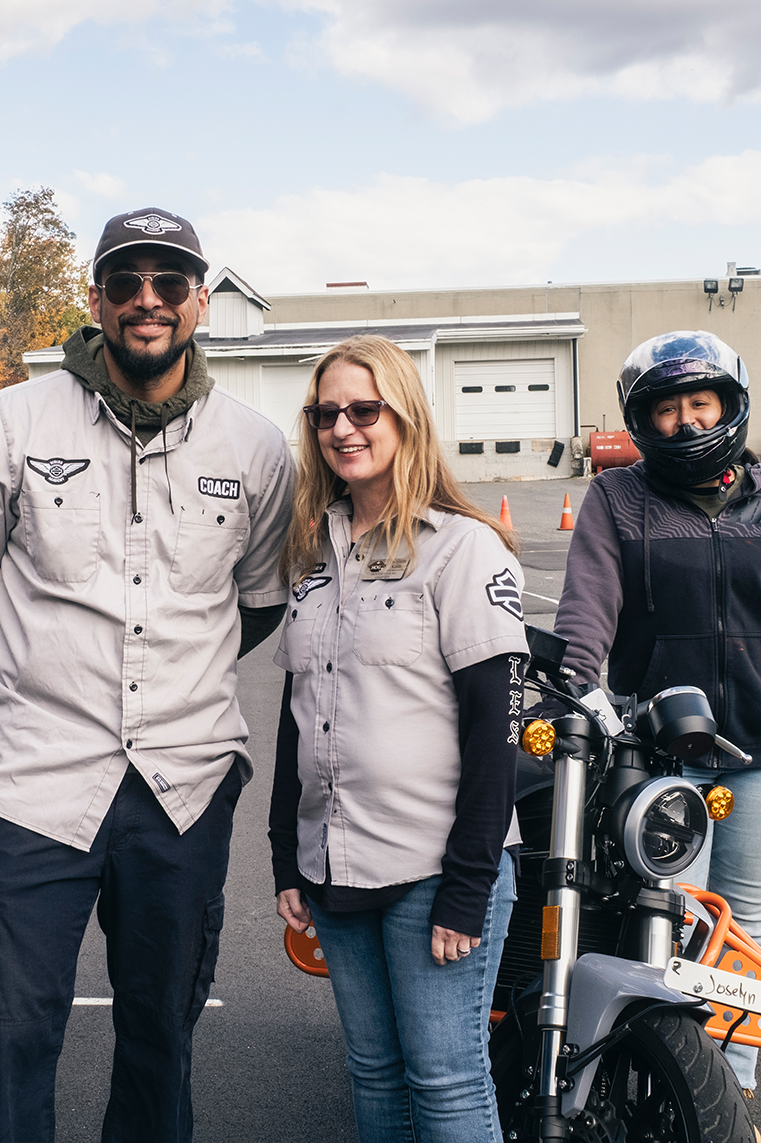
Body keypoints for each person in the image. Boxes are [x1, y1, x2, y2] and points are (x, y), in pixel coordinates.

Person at [0, 207, 295, 1142]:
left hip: (183, 783)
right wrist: (39, 659)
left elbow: (256, 603)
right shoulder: (8, 423)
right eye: (125, 281)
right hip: (36, 780)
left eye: (169, 282)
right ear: (95, 298)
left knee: (160, 1040)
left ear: (200, 301)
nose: (146, 300)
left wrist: (178, 670)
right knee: (8, 1036)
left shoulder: (254, 449)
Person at [553, 330, 761, 1100]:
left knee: (745, 930)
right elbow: (586, 610)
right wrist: (576, 685)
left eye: (701, 402)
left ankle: (731, 1090)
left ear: (729, 404)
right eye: (666, 409)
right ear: (642, 420)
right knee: (670, 922)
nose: (686, 421)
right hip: (660, 756)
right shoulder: (616, 499)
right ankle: (664, 1082)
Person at [268, 334, 527, 1143]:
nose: (342, 427)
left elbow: (497, 731)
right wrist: (287, 854)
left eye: (363, 409)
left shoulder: (462, 546)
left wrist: (466, 886)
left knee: (447, 1084)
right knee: (374, 1078)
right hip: (337, 867)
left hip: (432, 869)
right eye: (325, 414)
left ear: (405, 416)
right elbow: (297, 709)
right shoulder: (312, 553)